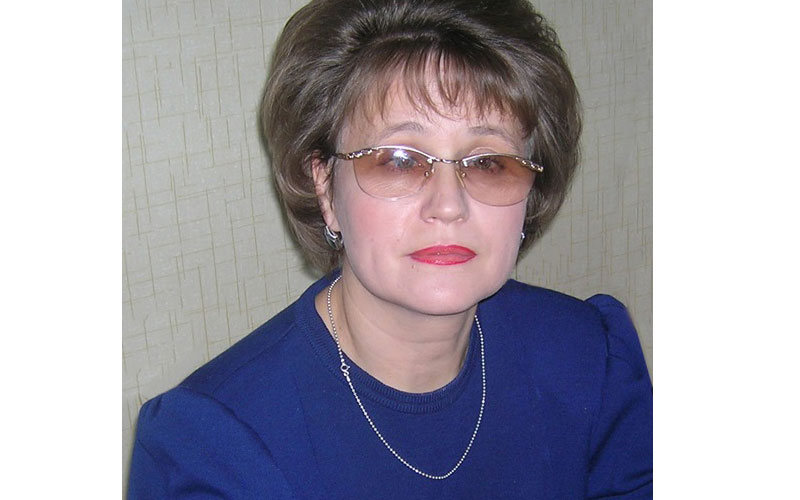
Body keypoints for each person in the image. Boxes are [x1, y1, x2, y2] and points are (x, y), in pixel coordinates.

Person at [128, 0, 653, 498]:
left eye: (489, 163)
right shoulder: (215, 448)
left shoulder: (591, 360)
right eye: (399, 160)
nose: (448, 206)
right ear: (325, 187)